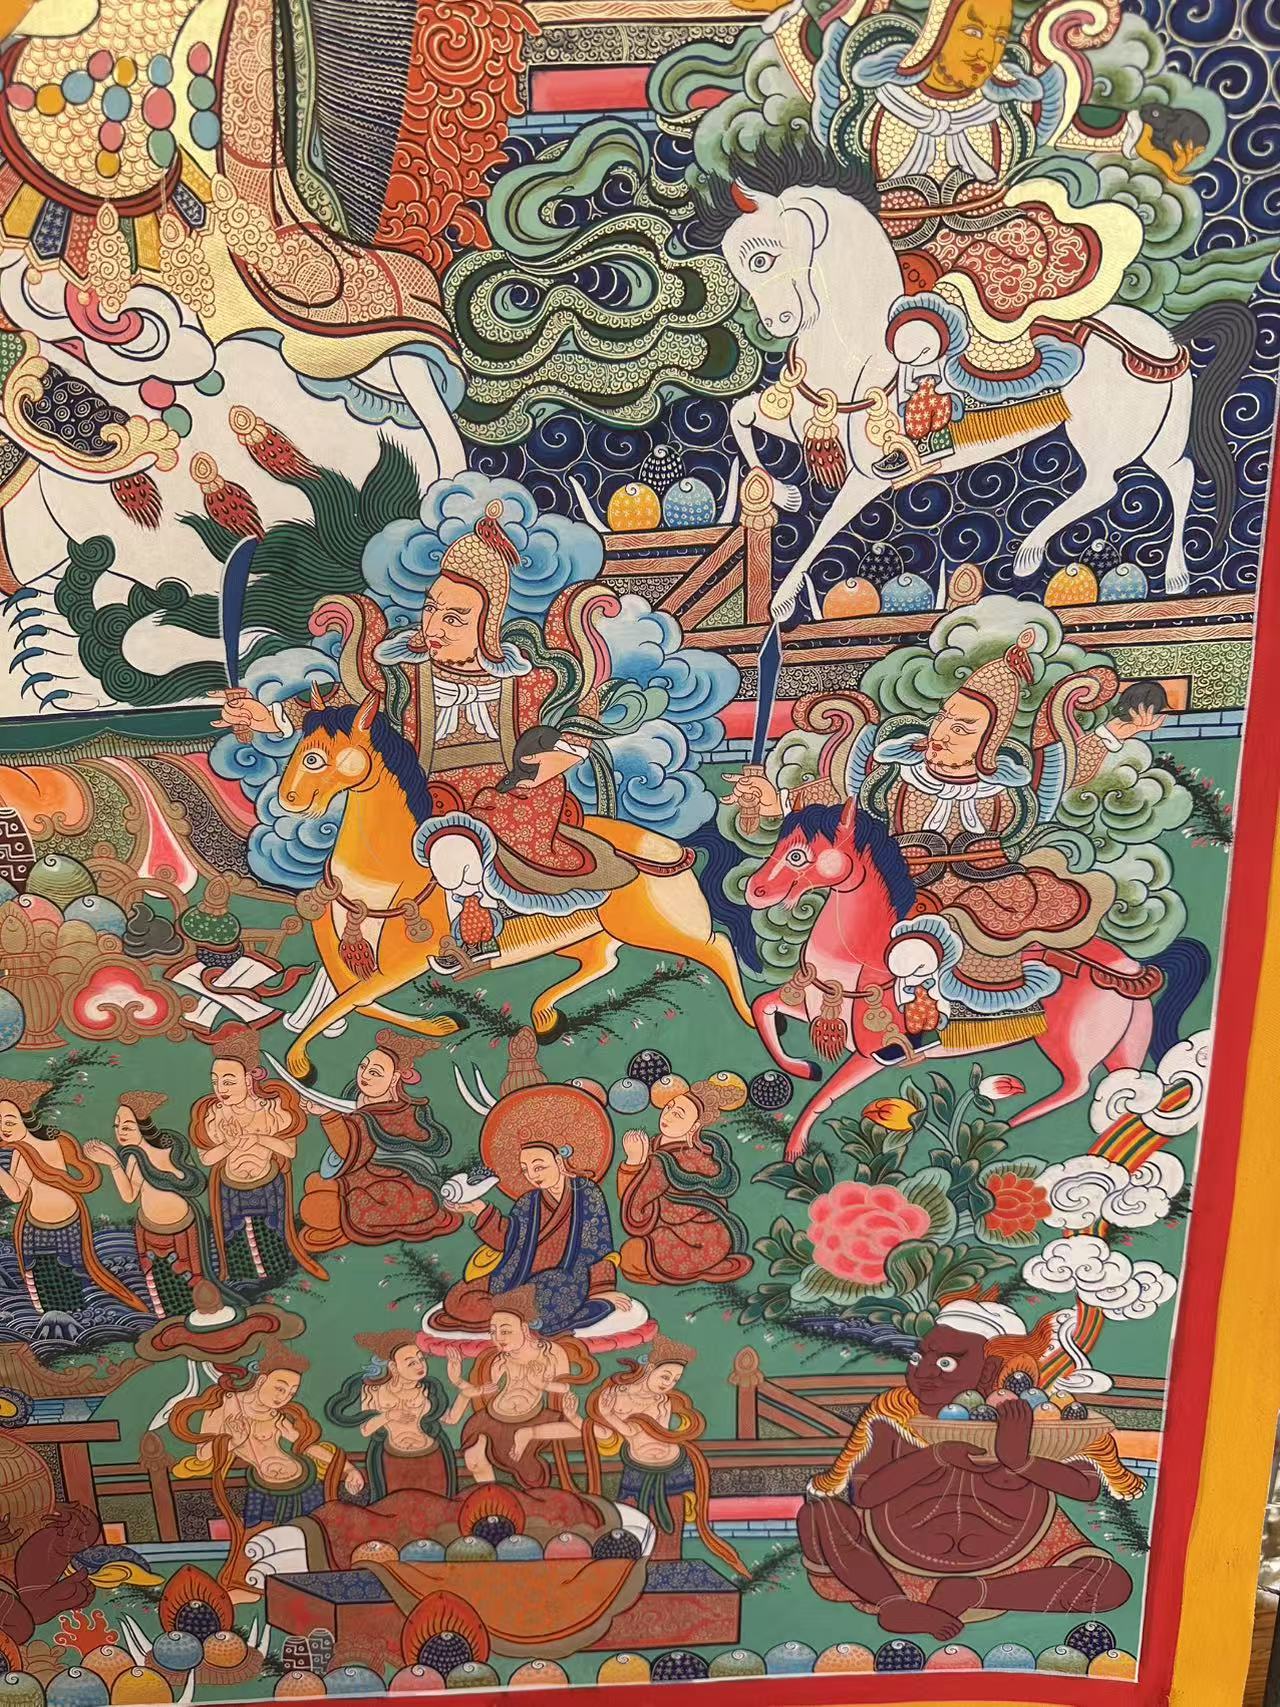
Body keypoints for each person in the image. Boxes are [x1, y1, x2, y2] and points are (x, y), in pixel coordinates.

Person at [212, 502, 636, 972]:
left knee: (454, 846)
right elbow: (336, 708)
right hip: (427, 794)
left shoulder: (526, 681)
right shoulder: (404, 678)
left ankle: (473, 933)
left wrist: (567, 753)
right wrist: (267, 717)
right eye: (431, 609)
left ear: (486, 625)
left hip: (510, 796)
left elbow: (582, 704)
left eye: (454, 618)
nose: (432, 627)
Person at [729, 632, 1119, 1048]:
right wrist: (777, 800)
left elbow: (1065, 772)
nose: (943, 732)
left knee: (951, 940)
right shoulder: (899, 772)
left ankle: (925, 1026)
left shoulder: (1006, 789)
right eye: (945, 717)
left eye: (962, 728)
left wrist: (1116, 731)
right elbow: (842, 798)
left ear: (988, 743)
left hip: (987, 886)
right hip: (903, 880)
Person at [830, 0, 1146, 468]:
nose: (986, 52)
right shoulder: (881, 102)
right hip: (903, 238)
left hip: (985, 227)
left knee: (1043, 251)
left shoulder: (998, 108)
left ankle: (942, 425)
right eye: (974, 32)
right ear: (936, 30)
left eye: (998, 39)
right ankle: (901, 420)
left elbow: (1066, 128)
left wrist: (1131, 134)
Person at [798, 1298, 1138, 1636]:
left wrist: (1020, 1460)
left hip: (1013, 1567)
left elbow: (1085, 1488)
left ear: (990, 1369)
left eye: (946, 1363)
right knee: (820, 1514)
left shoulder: (1040, 1417)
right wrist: (936, 1456)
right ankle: (893, 1604)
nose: (924, 1372)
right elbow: (865, 1495)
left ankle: (970, 1593)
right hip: (889, 1566)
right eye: (918, 1358)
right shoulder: (895, 1413)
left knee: (1112, 1584)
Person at [171, 1344, 364, 1602]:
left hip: (303, 1483)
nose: (284, 1397)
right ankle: (250, 1587)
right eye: (280, 1388)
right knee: (258, 1541)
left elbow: (307, 1446)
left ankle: (308, 1587)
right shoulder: (226, 1404)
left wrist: (348, 1468)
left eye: (291, 1392)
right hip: (264, 1487)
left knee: (313, 1538)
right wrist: (233, 1441)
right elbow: (204, 1454)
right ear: (262, 1380)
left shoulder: (279, 1415)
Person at [587, 1334, 746, 1574]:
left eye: (675, 1379)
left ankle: (667, 1572)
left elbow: (644, 1432)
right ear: (650, 1368)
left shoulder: (662, 1401)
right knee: (631, 1526)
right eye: (665, 1376)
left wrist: (611, 1417)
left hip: (673, 1468)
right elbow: (622, 1433)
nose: (669, 1384)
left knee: (670, 1531)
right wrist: (595, 1416)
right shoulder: (615, 1394)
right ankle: (629, 1575)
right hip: (637, 1471)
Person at [435, 1131, 619, 1336]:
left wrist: (603, 1290)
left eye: (539, 1167)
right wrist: (479, 1209)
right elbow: (508, 1240)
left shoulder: (586, 1193)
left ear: (559, 1161)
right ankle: (512, 1311)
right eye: (525, 1170)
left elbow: (597, 1248)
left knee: (553, 1293)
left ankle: (506, 1310)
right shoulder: (528, 1202)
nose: (533, 1175)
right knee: (457, 1298)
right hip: (518, 1275)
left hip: (564, 1279)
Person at [297, 1033, 460, 1258]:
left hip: (393, 1188)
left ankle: (345, 1226)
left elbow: (351, 1152)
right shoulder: (357, 1101)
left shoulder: (400, 1113)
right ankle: (340, 1222)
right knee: (313, 1182)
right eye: (363, 1067)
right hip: (358, 1178)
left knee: (312, 1207)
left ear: (394, 1079)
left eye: (375, 1072)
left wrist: (328, 1116)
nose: (364, 1075)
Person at [0, 1077, 145, 1315]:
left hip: (59, 1225)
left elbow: (17, 1194)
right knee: (57, 1287)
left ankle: (69, 1322)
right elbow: (20, 1191)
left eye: (9, 1121)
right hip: (43, 1225)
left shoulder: (34, 1148)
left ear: (26, 1119)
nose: (3, 1127)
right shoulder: (34, 1147)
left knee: (57, 1286)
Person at [190, 1031, 318, 1288]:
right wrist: (230, 1144)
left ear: (248, 1079)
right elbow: (206, 1158)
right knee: (237, 1245)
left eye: (229, 1081)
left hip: (268, 1185)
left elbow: (289, 1151)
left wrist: (257, 1138)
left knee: (273, 1241)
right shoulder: (213, 1113)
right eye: (215, 1081)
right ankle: (245, 1287)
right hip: (231, 1188)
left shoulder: (274, 1108)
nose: (221, 1089)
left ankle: (278, 1285)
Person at [443, 1288, 596, 1490]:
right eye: (493, 1332)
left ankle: (528, 1441)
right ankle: (492, 1497)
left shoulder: (551, 1353)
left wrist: (541, 1384)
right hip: (495, 1418)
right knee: (473, 1460)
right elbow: (481, 1391)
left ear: (524, 1329)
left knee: (579, 1433)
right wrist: (457, 1380)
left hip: (535, 1416)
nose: (498, 1338)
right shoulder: (500, 1360)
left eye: (505, 1331)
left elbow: (566, 1388)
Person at [617, 1081, 752, 1286]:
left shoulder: (674, 1160)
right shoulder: (659, 1147)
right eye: (669, 1107)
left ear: (694, 1127)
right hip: (717, 1241)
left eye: (678, 1114)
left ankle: (691, 1269)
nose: (667, 1116)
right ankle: (705, 1266)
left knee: (630, 1256)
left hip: (694, 1242)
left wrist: (633, 1163)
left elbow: (636, 1213)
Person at [87, 1093, 210, 1317]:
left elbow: (192, 1182)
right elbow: (129, 1196)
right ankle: (167, 1320)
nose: (119, 1132)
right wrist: (113, 1163)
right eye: (117, 1126)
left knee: (190, 1278)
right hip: (148, 1228)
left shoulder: (171, 1151)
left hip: (181, 1228)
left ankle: (200, 1315)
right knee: (157, 1284)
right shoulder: (133, 1157)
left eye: (127, 1127)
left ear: (143, 1127)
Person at [325, 1331, 456, 1499]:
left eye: (421, 1359)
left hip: (431, 1456)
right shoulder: (373, 1391)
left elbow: (450, 1418)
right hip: (391, 1459)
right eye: (411, 1363)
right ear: (393, 1367)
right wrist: (388, 1416)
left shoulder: (428, 1388)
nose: (420, 1366)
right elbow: (366, 1430)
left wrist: (460, 1384)